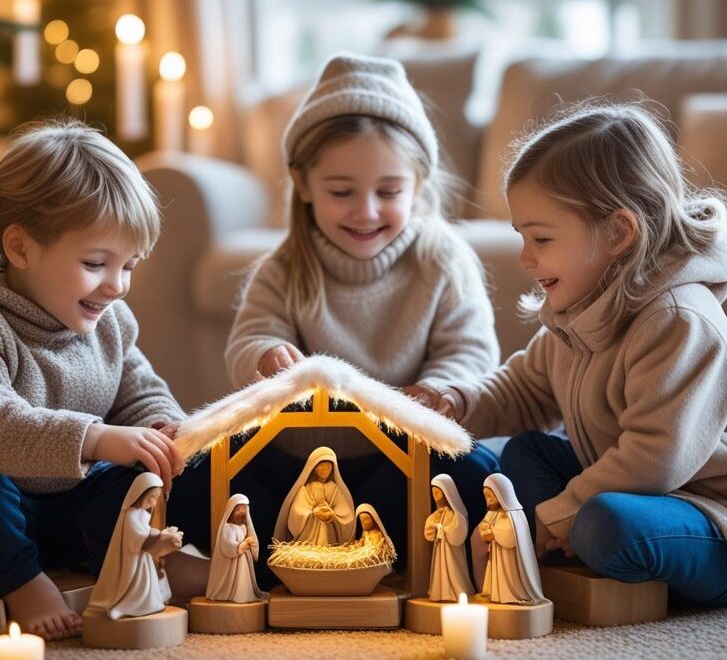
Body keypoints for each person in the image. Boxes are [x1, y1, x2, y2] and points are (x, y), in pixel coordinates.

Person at [419, 104, 727, 607]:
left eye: (542, 238)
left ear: (618, 234)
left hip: (723, 527)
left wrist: (557, 515)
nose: (525, 258)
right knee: (524, 453)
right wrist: (454, 401)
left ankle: (589, 555)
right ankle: (576, 553)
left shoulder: (680, 321)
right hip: (631, 490)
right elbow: (524, 388)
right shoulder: (579, 311)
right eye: (523, 237)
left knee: (606, 524)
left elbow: (655, 458)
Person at [180, 53, 501, 576]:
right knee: (195, 477)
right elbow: (249, 340)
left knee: (479, 472)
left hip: (400, 462)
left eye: (389, 192)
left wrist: (438, 389)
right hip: (289, 466)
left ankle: (373, 552)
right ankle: (264, 561)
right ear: (304, 185)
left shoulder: (445, 260)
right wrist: (265, 355)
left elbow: (470, 351)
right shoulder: (283, 268)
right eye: (341, 192)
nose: (367, 210)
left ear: (418, 183)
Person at [0, 118, 185, 640]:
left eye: (129, 265)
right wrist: (97, 438)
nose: (117, 286)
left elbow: (138, 387)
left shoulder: (106, 320)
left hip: (57, 501)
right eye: (96, 263)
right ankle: (21, 581)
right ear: (20, 249)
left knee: (148, 478)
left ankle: (153, 558)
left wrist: (165, 428)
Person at [87, 472, 182, 620]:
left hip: (142, 557)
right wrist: (160, 536)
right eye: (152, 497)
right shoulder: (130, 515)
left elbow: (147, 531)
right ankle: (126, 606)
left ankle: (149, 605)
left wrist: (163, 533)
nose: (153, 502)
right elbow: (137, 537)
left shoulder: (142, 514)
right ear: (141, 495)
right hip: (132, 558)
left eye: (156, 498)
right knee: (135, 585)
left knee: (147, 584)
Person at [477, 474, 544, 605]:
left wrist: (493, 532)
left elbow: (511, 537)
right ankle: (497, 595)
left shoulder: (514, 514)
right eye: (486, 496)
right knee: (497, 577)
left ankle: (512, 596)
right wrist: (484, 529)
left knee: (509, 576)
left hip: (511, 559)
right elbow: (484, 525)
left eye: (490, 496)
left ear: (501, 493)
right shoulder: (493, 512)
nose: (488, 501)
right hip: (497, 555)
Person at [274, 446, 356, 545]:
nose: (325, 470)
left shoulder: (335, 489)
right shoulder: (307, 488)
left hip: (331, 538)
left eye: (328, 466)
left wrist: (333, 515)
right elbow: (297, 511)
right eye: (321, 466)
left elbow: (346, 513)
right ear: (313, 468)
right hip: (309, 539)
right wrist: (313, 513)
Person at [205, 494, 266, 603]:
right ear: (231, 510)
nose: (242, 513)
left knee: (242, 579)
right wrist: (242, 544)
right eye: (238, 510)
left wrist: (248, 543)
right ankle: (228, 593)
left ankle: (243, 593)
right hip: (231, 563)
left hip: (242, 561)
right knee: (232, 579)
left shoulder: (243, 527)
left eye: (244, 510)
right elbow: (227, 545)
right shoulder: (227, 527)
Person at [424, 474, 474, 602]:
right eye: (433, 492)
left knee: (454, 569)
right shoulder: (436, 514)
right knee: (440, 570)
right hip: (440, 548)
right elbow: (429, 531)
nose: (435, 494)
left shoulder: (456, 514)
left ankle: (456, 590)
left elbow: (459, 531)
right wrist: (434, 526)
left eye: (438, 491)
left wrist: (442, 529)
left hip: (452, 550)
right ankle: (441, 592)